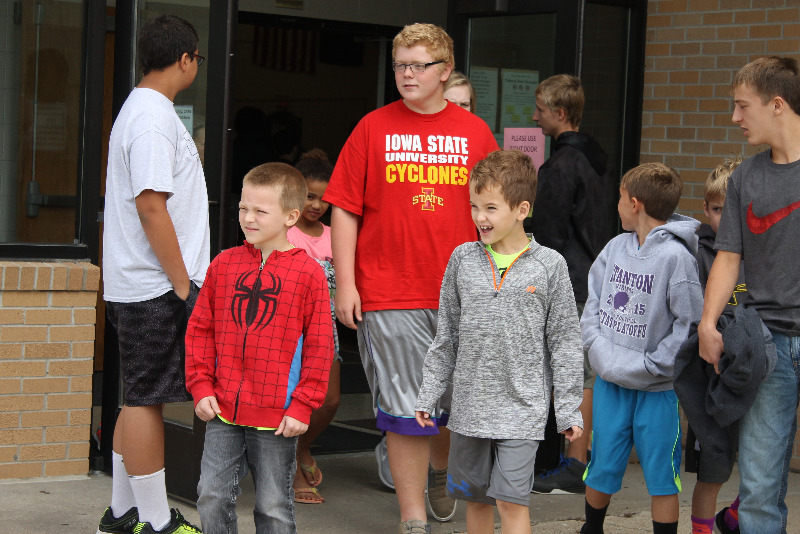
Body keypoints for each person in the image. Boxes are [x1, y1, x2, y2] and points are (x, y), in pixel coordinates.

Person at [322, 22, 499, 534]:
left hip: (462, 292)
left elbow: (500, 214)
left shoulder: (475, 133)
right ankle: (412, 518)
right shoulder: (372, 127)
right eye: (400, 64)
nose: (406, 74)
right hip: (389, 291)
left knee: (449, 405)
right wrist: (347, 284)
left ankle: (441, 471)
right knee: (405, 410)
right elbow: (344, 210)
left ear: (445, 71)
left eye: (418, 65)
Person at [414, 149, 584, 534]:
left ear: (522, 208)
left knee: (510, 500)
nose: (479, 217)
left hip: (523, 410)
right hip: (470, 409)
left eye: (490, 208)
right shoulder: (462, 259)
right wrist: (429, 393)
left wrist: (569, 408)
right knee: (475, 500)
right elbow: (447, 336)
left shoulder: (550, 265)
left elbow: (565, 343)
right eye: (474, 206)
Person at [97, 14, 208, 534]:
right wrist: (184, 285)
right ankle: (157, 523)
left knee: (137, 395)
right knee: (147, 401)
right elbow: (150, 207)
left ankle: (121, 514)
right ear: (185, 59)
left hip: (143, 283)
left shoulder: (143, 109)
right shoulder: (151, 117)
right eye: (197, 59)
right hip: (154, 286)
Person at [185, 162, 334, 534]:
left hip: (279, 415)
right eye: (242, 208)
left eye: (260, 211)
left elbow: (320, 345)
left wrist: (303, 404)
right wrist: (200, 385)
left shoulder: (309, 274)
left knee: (273, 507)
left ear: (290, 216)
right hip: (223, 408)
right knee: (211, 495)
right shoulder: (223, 265)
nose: (248, 218)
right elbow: (200, 329)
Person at [698, 56, 800, 534]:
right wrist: (707, 323)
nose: (735, 118)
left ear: (776, 104)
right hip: (768, 347)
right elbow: (728, 256)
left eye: (743, 106)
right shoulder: (745, 177)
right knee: (758, 488)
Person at [580, 162, 703, 534]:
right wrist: (598, 350)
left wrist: (654, 366)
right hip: (611, 386)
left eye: (619, 197)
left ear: (635, 203)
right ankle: (591, 529)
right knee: (601, 466)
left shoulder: (677, 258)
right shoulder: (614, 248)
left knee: (662, 475)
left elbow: (689, 323)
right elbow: (593, 305)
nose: (616, 205)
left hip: (658, 390)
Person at [528, 74, 617, 496]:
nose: (534, 117)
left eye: (541, 110)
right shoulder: (598, 159)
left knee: (576, 375)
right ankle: (577, 460)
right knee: (582, 373)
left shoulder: (561, 165)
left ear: (560, 114)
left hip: (572, 280)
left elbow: (548, 234)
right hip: (597, 275)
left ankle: (574, 465)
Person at [673, 157, 745, 534]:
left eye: (732, 210)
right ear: (706, 209)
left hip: (751, 376)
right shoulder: (694, 252)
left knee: (759, 464)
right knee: (711, 468)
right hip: (708, 381)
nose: (724, 219)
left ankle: (731, 518)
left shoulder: (761, 254)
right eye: (718, 210)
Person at [286, 149, 340, 504]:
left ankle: (301, 448)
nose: (317, 204)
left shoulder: (336, 234)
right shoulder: (285, 232)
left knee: (330, 400)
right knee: (292, 402)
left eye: (323, 197)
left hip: (326, 328)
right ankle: (290, 471)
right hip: (289, 331)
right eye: (309, 196)